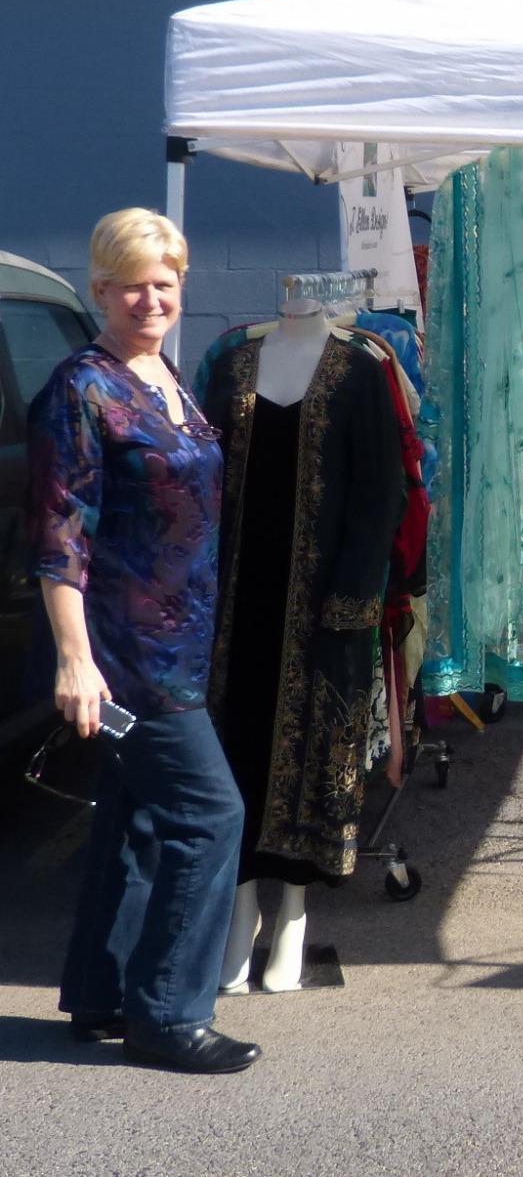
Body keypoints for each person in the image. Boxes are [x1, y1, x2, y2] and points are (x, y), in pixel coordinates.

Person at [28, 209, 260, 1075]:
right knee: (209, 814)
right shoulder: (83, 389)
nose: (151, 296)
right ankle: (167, 1013)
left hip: (182, 642)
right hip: (129, 657)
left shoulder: (165, 376)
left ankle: (102, 991)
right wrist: (75, 659)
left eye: (165, 281)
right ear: (99, 291)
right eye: (133, 283)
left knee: (137, 816)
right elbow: (60, 536)